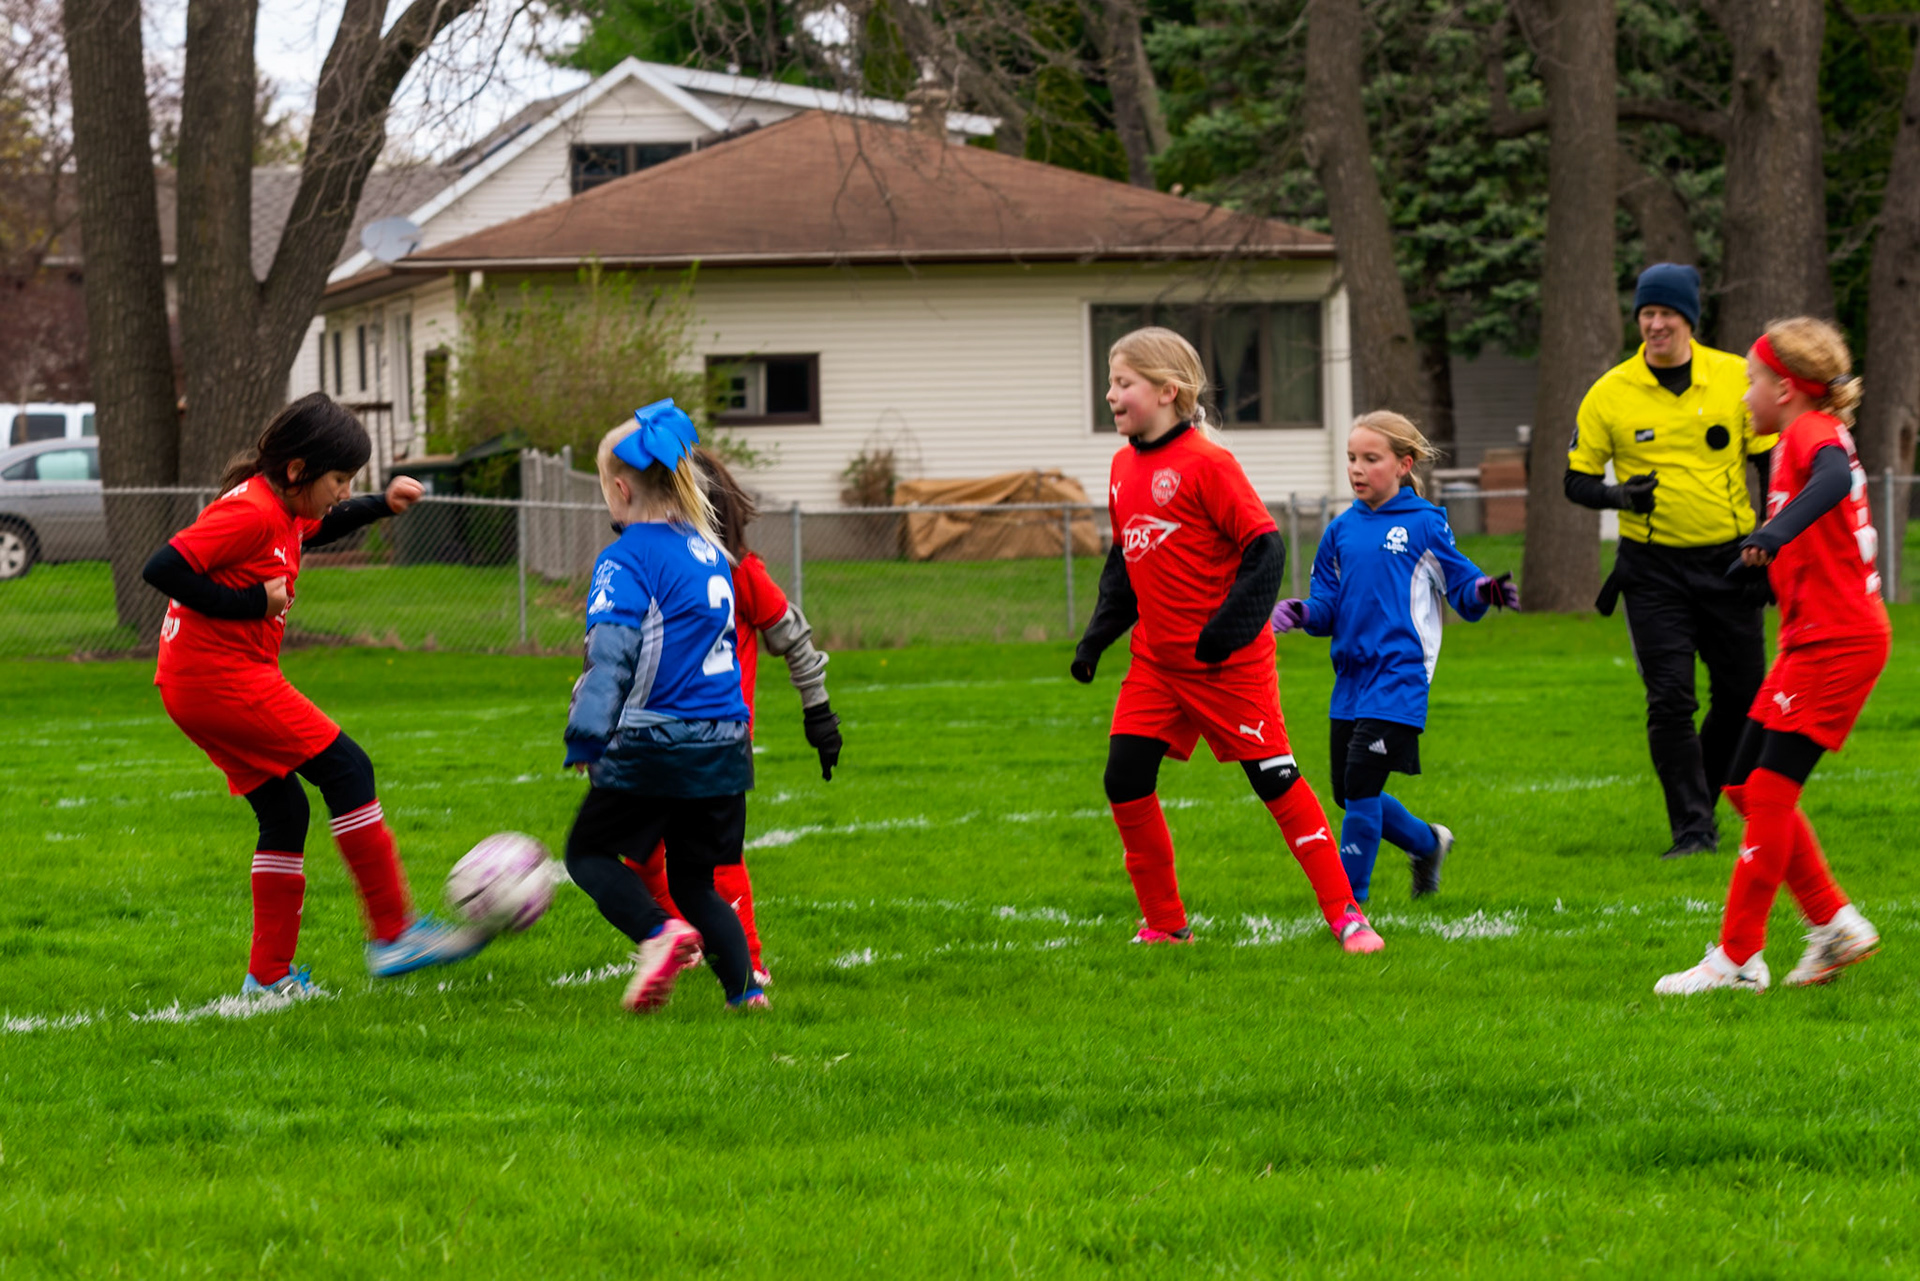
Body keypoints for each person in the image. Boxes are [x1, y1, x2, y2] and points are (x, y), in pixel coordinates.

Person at [141, 392, 490, 996]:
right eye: (339, 478)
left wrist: (380, 504)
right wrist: (252, 603)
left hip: (196, 683)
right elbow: (163, 568)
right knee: (348, 768)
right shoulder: (250, 511)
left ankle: (268, 977)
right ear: (298, 469)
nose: (341, 489)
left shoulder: (279, 506)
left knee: (285, 811)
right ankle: (393, 932)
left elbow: (317, 527)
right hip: (219, 678)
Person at [1071, 326, 1383, 953]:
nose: (1111, 394)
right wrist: (1096, 638)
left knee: (1274, 780)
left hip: (1227, 665)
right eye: (1110, 382)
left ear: (1167, 391)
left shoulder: (1210, 465)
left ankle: (1347, 915)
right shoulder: (1121, 467)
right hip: (1156, 665)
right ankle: (1165, 923)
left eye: (1122, 383)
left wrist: (1226, 633)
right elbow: (1123, 562)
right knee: (1125, 777)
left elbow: (1265, 550)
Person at [1656, 318, 1889, 994]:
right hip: (1814, 636)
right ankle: (1833, 923)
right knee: (1740, 783)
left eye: (1753, 381)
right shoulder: (1795, 434)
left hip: (1837, 641)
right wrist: (1761, 566)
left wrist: (1775, 529)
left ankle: (1736, 957)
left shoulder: (1809, 433)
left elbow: (1833, 481)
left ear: (1786, 389)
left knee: (1768, 792)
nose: (1745, 394)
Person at [1565, 263, 1774, 859]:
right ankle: (1692, 830)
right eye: (1646, 314)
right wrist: (1617, 496)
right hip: (1652, 570)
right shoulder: (1611, 391)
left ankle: (1702, 796)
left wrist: (1769, 539)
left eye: (1666, 314)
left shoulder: (1737, 377)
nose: (1655, 325)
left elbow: (1769, 461)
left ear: (1690, 319)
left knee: (1742, 694)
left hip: (1732, 563)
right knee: (1671, 699)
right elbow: (1574, 482)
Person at [562, 400, 763, 1013]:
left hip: (656, 743)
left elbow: (613, 656)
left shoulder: (624, 560)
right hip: (726, 743)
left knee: (587, 854)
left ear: (620, 490)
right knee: (696, 883)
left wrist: (587, 737)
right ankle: (745, 994)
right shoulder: (710, 552)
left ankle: (658, 933)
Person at [1270, 412, 1518, 903]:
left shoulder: (1425, 525)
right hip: (1351, 680)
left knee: (1361, 785)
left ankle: (1349, 906)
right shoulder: (1339, 532)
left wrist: (1485, 590)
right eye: (1351, 459)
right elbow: (1328, 607)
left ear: (1404, 465)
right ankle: (1428, 844)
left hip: (1401, 679)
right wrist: (1301, 611)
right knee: (1347, 792)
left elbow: (1461, 584)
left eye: (1370, 459)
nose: (1357, 469)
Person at [625, 446, 843, 986]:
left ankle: (748, 966)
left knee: (717, 859)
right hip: (655, 736)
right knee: (641, 853)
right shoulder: (648, 567)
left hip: (719, 738)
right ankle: (676, 937)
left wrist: (820, 714)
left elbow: (792, 636)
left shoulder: (739, 570)